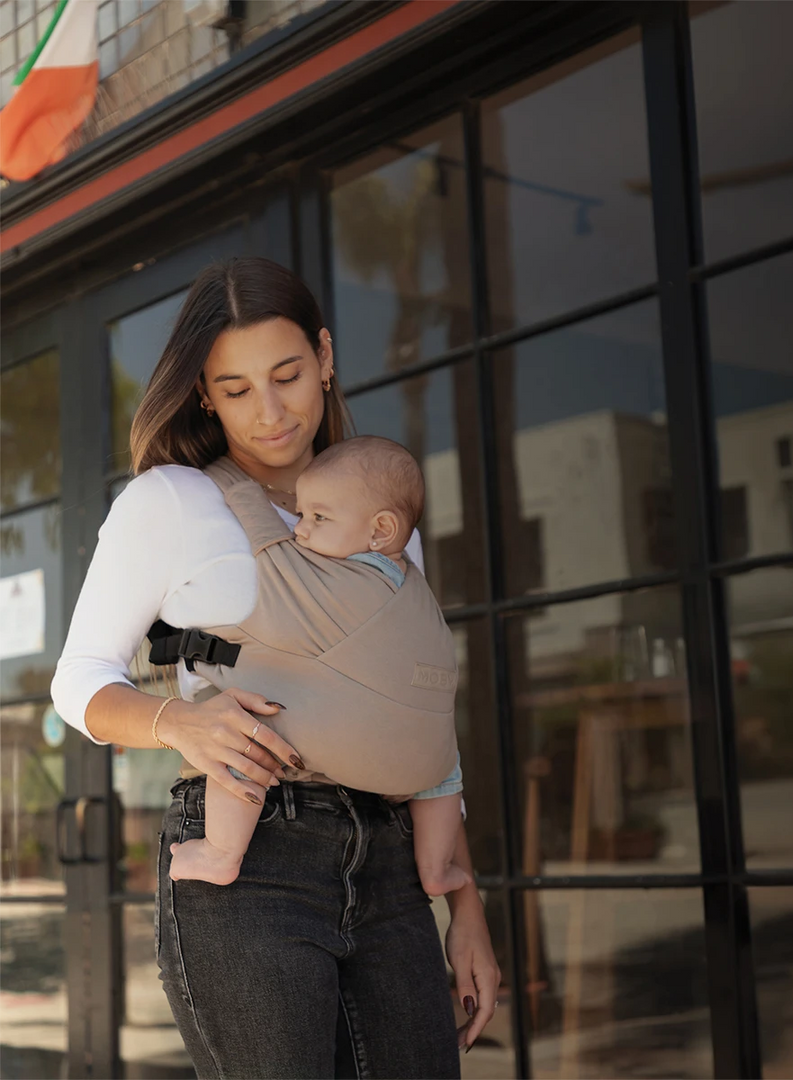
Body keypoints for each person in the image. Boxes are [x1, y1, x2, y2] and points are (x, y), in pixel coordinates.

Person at [50, 256, 499, 1079]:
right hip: (250, 862)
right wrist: (178, 721)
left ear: (326, 357)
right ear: (204, 397)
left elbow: (419, 721)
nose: (269, 412)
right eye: (236, 389)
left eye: (288, 375)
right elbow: (78, 679)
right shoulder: (172, 502)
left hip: (393, 864)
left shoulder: (383, 525)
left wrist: (466, 906)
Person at [168, 435, 473, 897]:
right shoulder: (412, 584)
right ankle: (437, 868)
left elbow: (263, 536)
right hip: (421, 768)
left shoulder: (330, 580)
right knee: (446, 769)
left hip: (344, 752)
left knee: (249, 730)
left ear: (381, 531)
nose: (300, 529)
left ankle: (221, 852)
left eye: (318, 517)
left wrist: (232, 477)